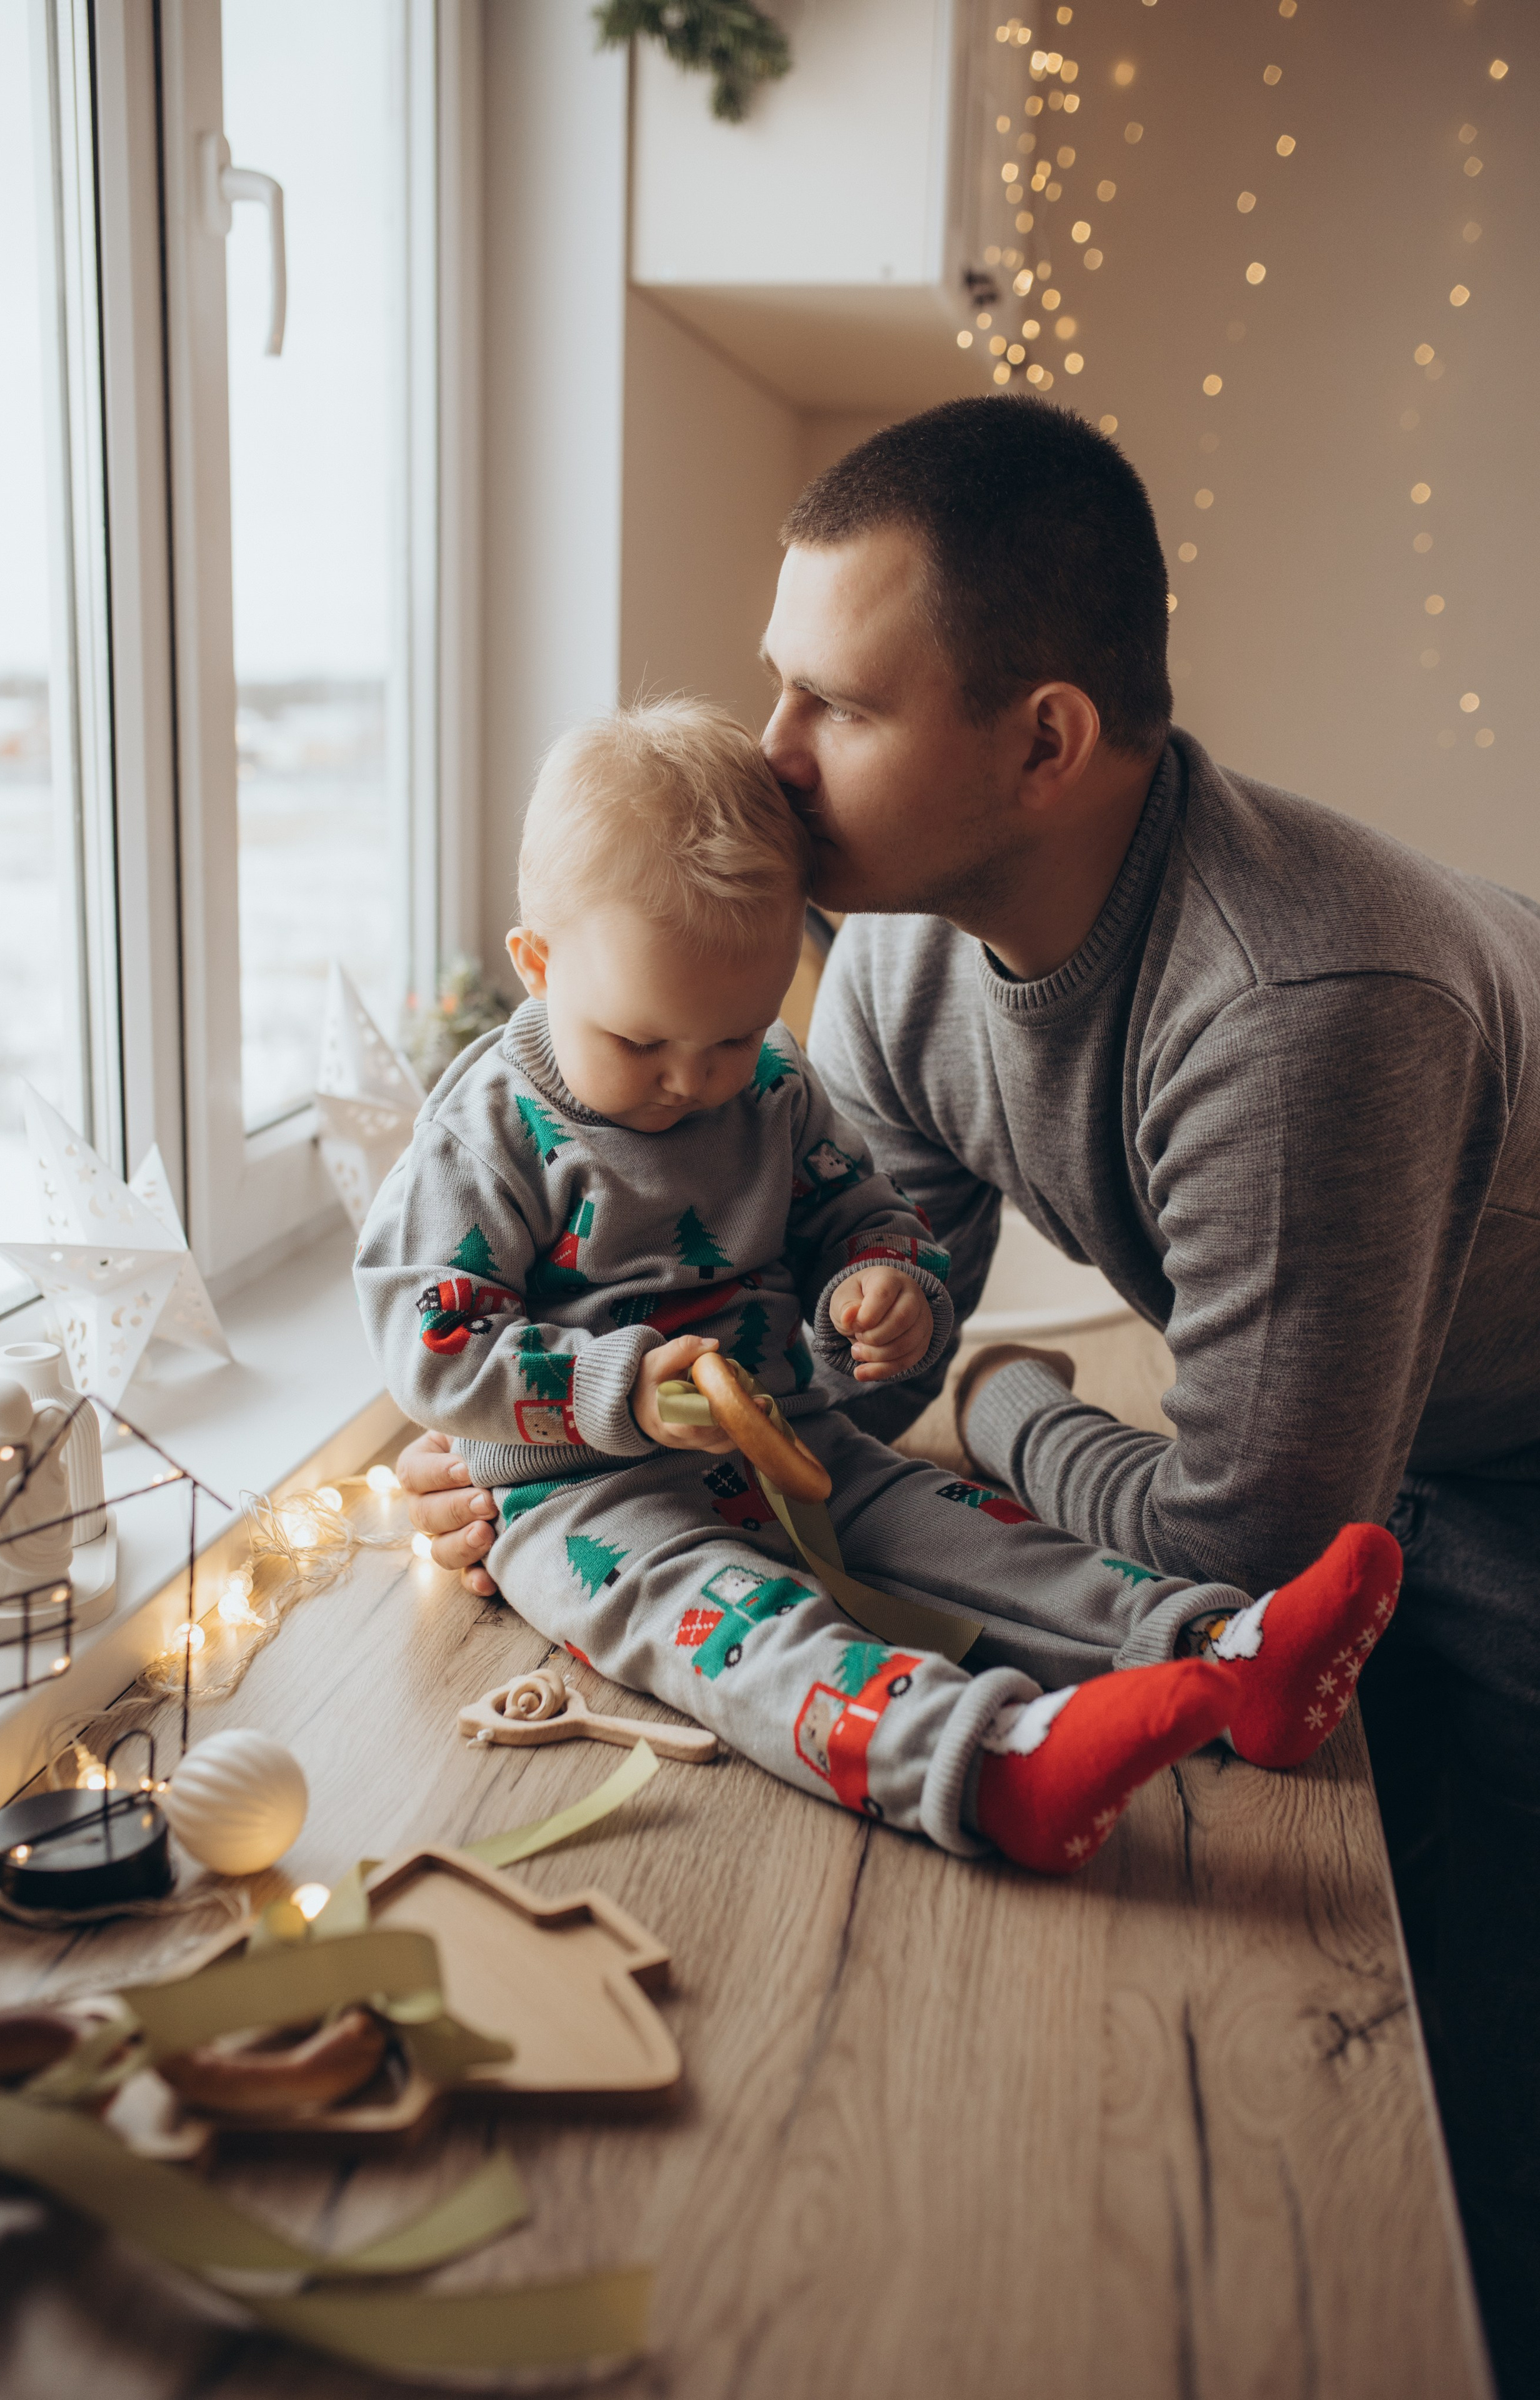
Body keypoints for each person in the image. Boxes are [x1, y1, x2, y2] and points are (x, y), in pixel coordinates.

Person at [397, 397, 1539, 2385]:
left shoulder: (1298, 1019)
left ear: (1044, 742)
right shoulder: (906, 968)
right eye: (775, 682)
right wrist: (512, 1429)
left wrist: (1003, 1398)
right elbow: (844, 1323)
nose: (766, 754)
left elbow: (1253, 1535)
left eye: (832, 702)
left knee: (1452, 2100)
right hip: (1354, 1431)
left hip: (1505, 1469)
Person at [360, 698, 1400, 1876]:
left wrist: (884, 1284)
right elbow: (426, 1330)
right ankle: (987, 1760)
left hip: (795, 1441)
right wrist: (611, 1387)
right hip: (589, 1504)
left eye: (734, 1037)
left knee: (975, 1538)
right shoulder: (485, 1134)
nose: (695, 1083)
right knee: (747, 1636)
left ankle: (1221, 1648)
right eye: (644, 1044)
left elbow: (861, 1210)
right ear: (538, 965)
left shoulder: (770, 1086)